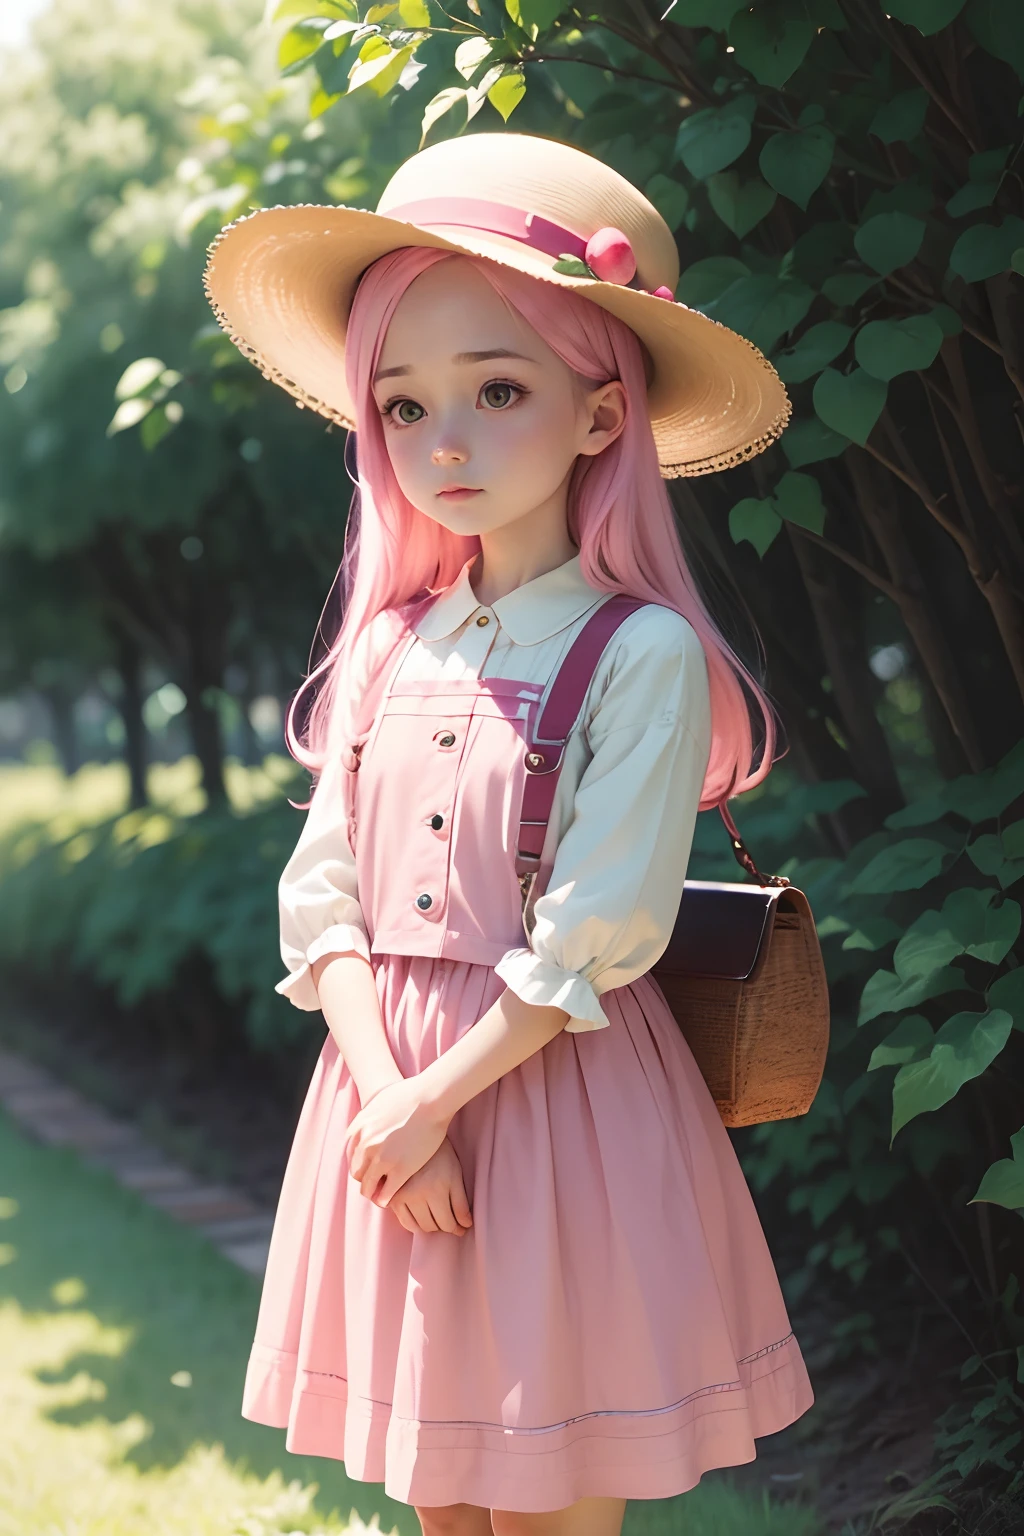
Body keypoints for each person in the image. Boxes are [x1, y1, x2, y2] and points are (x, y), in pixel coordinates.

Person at [204, 131, 814, 1536]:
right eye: (405, 408)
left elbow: (595, 929)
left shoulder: (638, 650)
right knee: (442, 1499)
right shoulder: (390, 646)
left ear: (604, 416)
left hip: (549, 1105)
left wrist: (431, 1105)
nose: (446, 440)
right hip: (384, 1103)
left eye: (496, 388)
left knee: (541, 1501)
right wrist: (383, 1098)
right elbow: (327, 897)